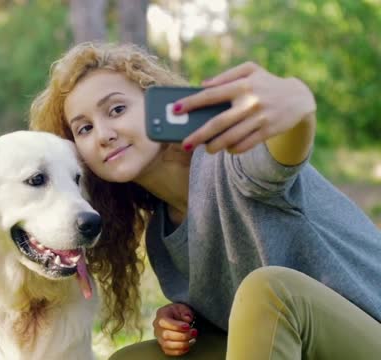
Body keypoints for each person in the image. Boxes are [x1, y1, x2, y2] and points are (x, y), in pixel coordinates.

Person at [28, 42, 381, 359]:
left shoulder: (232, 159)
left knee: (267, 289)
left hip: (368, 333)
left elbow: (285, 152)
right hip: (297, 345)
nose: (104, 134)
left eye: (117, 110)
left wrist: (298, 105)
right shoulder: (161, 238)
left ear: (158, 104)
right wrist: (183, 325)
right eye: (84, 128)